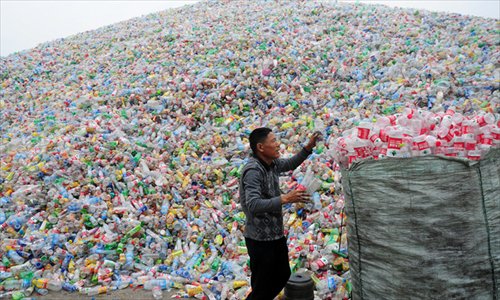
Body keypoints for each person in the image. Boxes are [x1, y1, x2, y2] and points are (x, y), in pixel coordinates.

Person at [239, 127, 321, 299]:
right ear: (261, 147)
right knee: (262, 285)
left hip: (275, 235)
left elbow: (290, 164)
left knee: (282, 275)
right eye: (274, 141)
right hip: (259, 239)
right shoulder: (253, 170)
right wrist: (284, 199)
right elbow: (252, 204)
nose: (278, 145)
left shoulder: (272, 164)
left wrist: (308, 148)